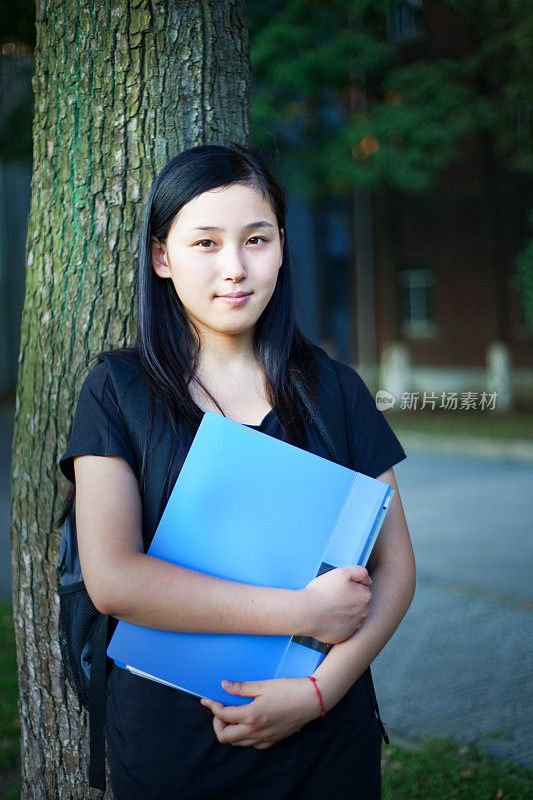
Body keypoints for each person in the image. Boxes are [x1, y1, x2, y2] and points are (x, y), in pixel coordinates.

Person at [59, 142, 416, 800]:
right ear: (162, 257)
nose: (235, 268)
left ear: (282, 244)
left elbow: (396, 569)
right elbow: (113, 579)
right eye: (205, 243)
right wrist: (301, 610)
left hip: (325, 745)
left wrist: (317, 692)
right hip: (172, 751)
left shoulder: (333, 389)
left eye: (256, 239)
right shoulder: (119, 390)